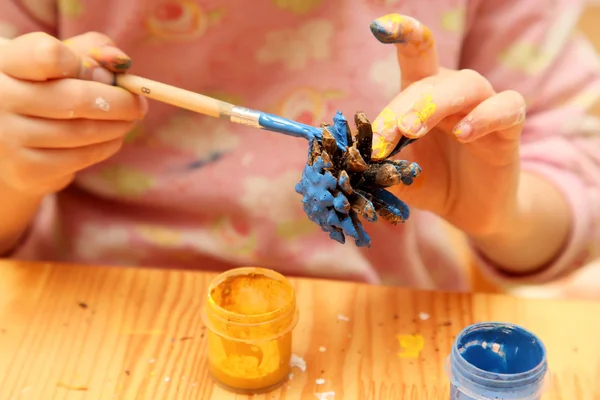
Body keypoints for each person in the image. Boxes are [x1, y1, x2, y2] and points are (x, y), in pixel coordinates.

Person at [0, 0, 599, 298]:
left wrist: (503, 211)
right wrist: (14, 175)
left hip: (383, 326)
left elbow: (576, 175)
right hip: (88, 308)